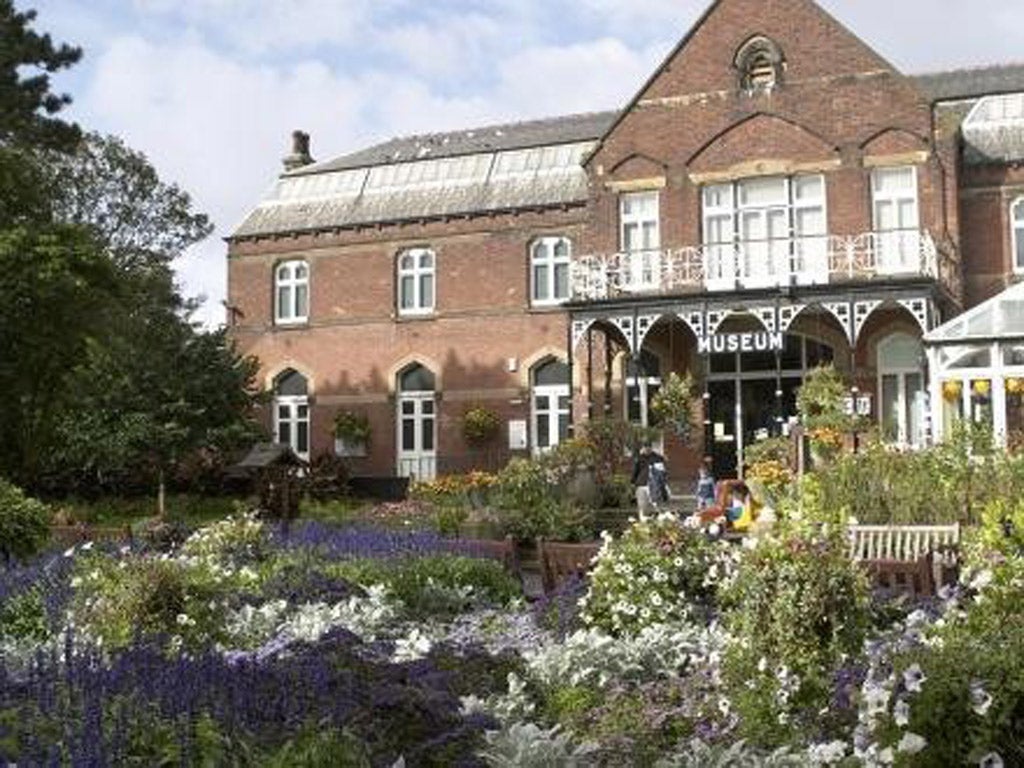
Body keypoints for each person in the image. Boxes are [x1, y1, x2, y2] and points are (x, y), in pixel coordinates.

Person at [631, 442, 668, 516]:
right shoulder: (639, 458)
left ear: (651, 448)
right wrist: (633, 482)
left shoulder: (658, 458)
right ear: (642, 448)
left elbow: (662, 472)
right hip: (642, 484)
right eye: (645, 447)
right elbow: (635, 471)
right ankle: (643, 522)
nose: (647, 449)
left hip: (655, 485)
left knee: (657, 506)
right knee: (642, 506)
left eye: (648, 447)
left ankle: (659, 522)